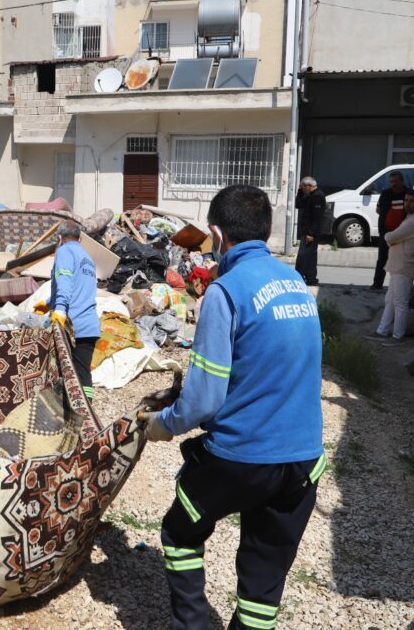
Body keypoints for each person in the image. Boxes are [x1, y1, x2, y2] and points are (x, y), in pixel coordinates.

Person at [138, 185, 324, 630]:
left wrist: (163, 424)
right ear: (267, 230)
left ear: (218, 235)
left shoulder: (225, 293)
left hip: (241, 461)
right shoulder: (296, 283)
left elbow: (203, 400)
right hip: (302, 463)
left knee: (181, 533)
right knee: (263, 580)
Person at [368, 189, 414, 347]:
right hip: (398, 266)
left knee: (400, 303)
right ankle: (382, 331)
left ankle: (398, 336)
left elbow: (392, 237)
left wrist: (387, 237)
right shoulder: (409, 218)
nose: (408, 203)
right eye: (406, 200)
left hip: (404, 267)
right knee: (390, 301)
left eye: (412, 201)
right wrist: (391, 238)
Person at [50, 221, 100, 400]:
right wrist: (49, 302)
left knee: (63, 374)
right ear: (80, 238)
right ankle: (88, 414)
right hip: (90, 324)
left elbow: (64, 279)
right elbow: (78, 287)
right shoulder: (87, 258)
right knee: (83, 373)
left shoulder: (64, 251)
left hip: (73, 326)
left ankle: (72, 416)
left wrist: (60, 309)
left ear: (59, 238)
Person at [372, 170, 408, 290]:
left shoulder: (408, 194)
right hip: (386, 232)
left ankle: (399, 287)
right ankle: (377, 284)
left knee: (401, 261)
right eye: (391, 182)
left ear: (401, 181)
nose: (394, 184)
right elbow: (378, 210)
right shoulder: (385, 193)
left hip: (403, 234)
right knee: (382, 259)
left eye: (396, 181)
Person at [294, 176, 326, 286]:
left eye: (303, 188)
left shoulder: (318, 196)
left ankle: (297, 278)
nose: (302, 190)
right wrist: (299, 191)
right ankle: (311, 279)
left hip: (311, 233)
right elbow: (298, 205)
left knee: (302, 256)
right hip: (307, 231)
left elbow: (317, 218)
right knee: (311, 256)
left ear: (308, 186)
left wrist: (311, 233)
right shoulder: (310, 196)